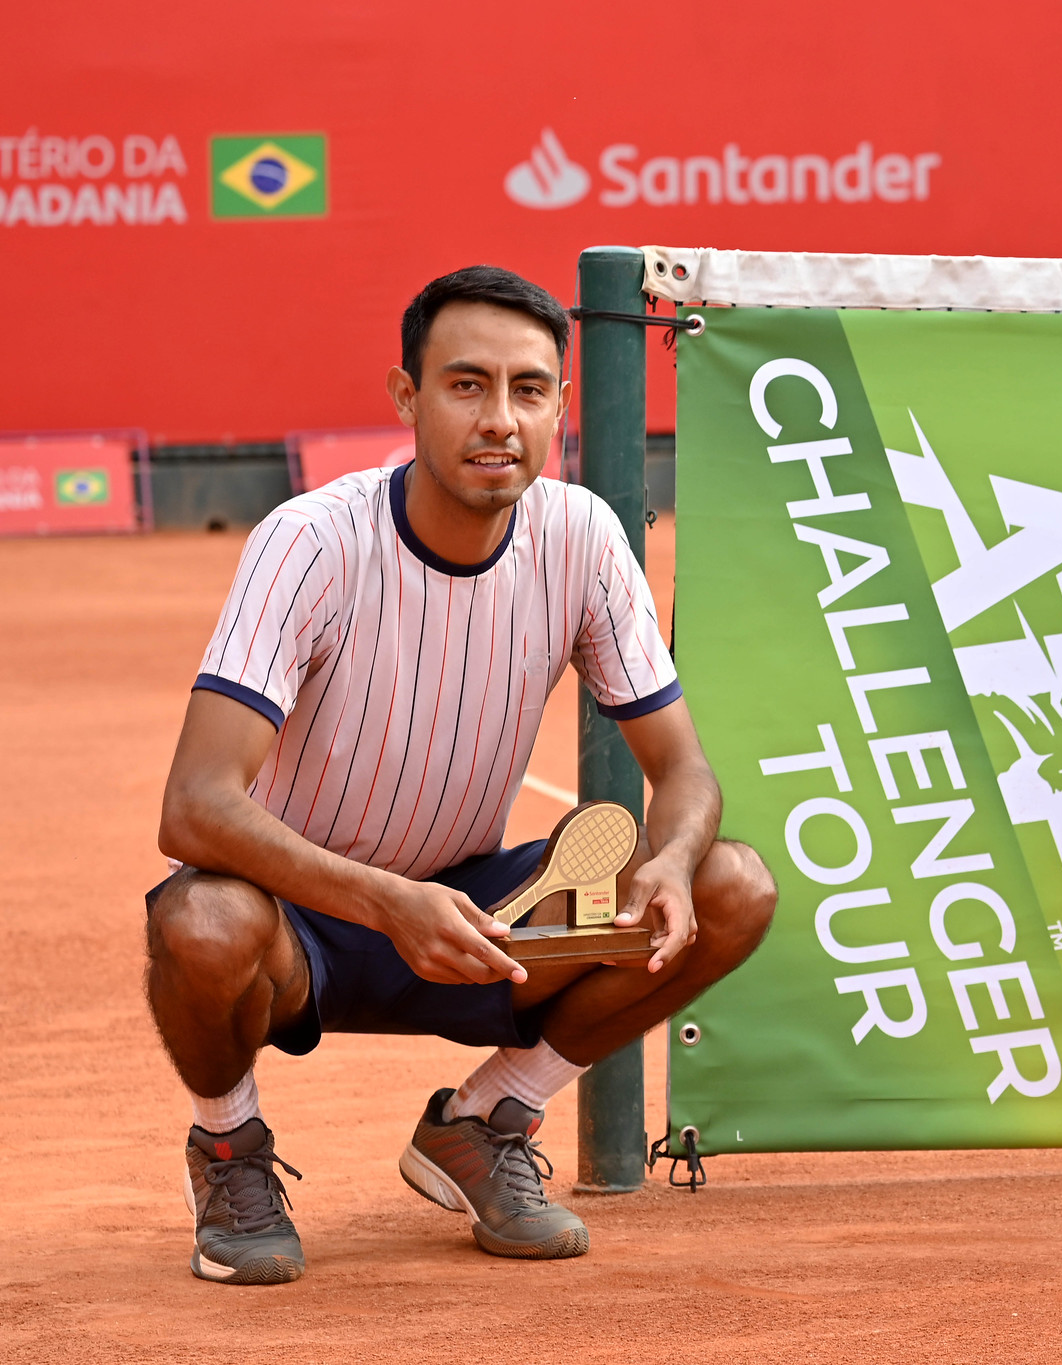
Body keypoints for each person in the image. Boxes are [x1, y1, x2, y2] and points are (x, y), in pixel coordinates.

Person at [147, 265, 777, 1284]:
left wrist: (673, 858)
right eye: (466, 385)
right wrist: (391, 904)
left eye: (528, 390)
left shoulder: (581, 537)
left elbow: (683, 769)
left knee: (730, 886)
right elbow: (195, 806)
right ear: (406, 397)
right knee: (200, 923)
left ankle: (488, 1121)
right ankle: (228, 1148)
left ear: (561, 406)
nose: (500, 420)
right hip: (296, 921)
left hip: (485, 916)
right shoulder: (309, 544)